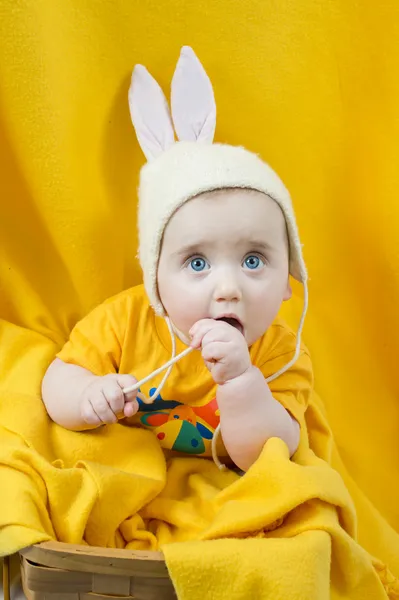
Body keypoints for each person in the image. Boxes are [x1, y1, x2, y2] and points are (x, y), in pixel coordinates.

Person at [41, 46, 312, 472]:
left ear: (287, 284)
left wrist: (242, 383)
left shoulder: (279, 352)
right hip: (131, 465)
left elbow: (264, 459)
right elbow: (58, 379)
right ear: (155, 279)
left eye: (254, 261)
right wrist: (85, 396)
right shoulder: (124, 321)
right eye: (198, 264)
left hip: (220, 481)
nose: (228, 289)